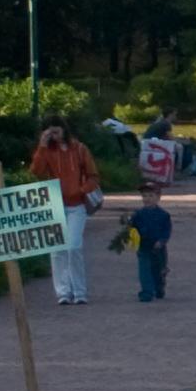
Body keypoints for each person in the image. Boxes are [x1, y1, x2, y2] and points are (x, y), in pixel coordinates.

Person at [27, 123, 104, 306]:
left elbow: (93, 175)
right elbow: (36, 172)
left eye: (56, 130)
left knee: (74, 246)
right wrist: (42, 146)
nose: (54, 134)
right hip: (54, 203)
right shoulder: (46, 150)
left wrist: (81, 189)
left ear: (64, 129)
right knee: (57, 250)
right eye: (49, 131)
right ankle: (63, 292)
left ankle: (80, 291)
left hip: (77, 204)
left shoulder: (79, 149)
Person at [114, 183, 174, 302]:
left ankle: (159, 287)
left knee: (157, 270)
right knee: (144, 269)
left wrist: (162, 241)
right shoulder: (138, 214)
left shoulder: (164, 215)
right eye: (144, 196)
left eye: (151, 196)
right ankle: (146, 292)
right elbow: (132, 227)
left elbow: (166, 230)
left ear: (158, 197)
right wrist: (127, 225)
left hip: (158, 248)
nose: (147, 199)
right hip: (143, 246)